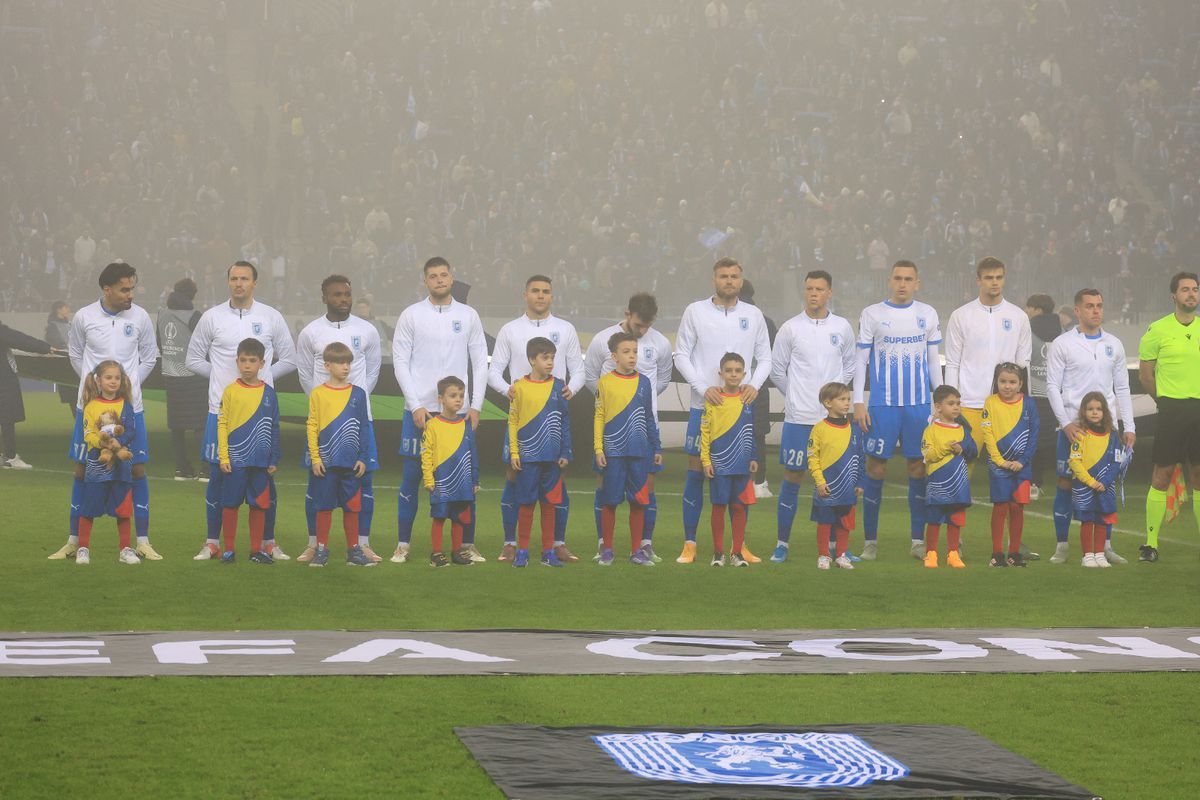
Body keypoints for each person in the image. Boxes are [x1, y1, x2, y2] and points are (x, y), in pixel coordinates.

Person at [186, 261, 296, 561]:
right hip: (220, 413)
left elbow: (290, 358)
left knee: (264, 481)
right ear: (228, 282)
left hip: (260, 414)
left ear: (255, 283)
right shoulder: (212, 317)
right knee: (217, 478)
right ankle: (213, 543)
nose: (238, 284)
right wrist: (223, 378)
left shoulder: (271, 316)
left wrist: (265, 378)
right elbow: (193, 358)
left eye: (244, 278)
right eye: (233, 278)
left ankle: (268, 542)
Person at [50, 262, 160, 562]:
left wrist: (128, 386)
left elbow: (149, 356)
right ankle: (74, 541)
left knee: (136, 469)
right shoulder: (85, 316)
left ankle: (143, 541)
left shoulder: (140, 317)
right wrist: (94, 390)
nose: (130, 294)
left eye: (132, 288)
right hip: (91, 410)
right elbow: (76, 354)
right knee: (83, 469)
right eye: (125, 289)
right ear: (107, 289)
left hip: (130, 409)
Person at [673, 257, 771, 564]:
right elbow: (681, 355)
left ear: (742, 281)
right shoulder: (695, 311)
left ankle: (738, 546)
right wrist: (704, 388)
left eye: (734, 276)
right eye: (723, 276)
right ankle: (690, 543)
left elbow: (765, 358)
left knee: (739, 477)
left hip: (739, 411)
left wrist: (753, 384)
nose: (729, 281)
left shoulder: (753, 315)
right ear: (714, 280)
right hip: (703, 407)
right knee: (696, 471)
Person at [391, 257, 487, 563]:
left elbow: (480, 362)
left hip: (458, 414)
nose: (439, 280)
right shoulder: (411, 315)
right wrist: (415, 404)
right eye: (433, 276)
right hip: (421, 413)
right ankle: (403, 545)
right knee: (411, 477)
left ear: (451, 277)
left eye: (444, 275)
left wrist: (475, 405)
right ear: (425, 281)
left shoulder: (469, 315)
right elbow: (400, 362)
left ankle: (466, 547)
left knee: (464, 479)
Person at [489, 275, 584, 563]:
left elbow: (578, 369)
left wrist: (572, 388)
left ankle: (557, 544)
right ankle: (511, 543)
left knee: (556, 482)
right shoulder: (510, 330)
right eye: (535, 291)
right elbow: (494, 371)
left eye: (546, 292)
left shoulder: (565, 329)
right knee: (513, 477)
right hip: (523, 418)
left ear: (552, 296)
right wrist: (509, 390)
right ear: (525, 294)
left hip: (553, 416)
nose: (541, 296)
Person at [853, 260, 944, 561]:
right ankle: (870, 542)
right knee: (875, 469)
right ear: (889, 281)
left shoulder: (927, 314)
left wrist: (939, 402)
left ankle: (917, 541)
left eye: (909, 279)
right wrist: (858, 401)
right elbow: (861, 361)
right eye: (898, 278)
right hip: (882, 405)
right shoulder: (872, 314)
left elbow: (933, 361)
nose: (903, 283)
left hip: (918, 406)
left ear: (917, 283)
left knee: (917, 469)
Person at [768, 270, 855, 562]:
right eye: (809, 288)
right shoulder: (790, 328)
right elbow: (777, 369)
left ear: (829, 292)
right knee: (793, 477)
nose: (813, 293)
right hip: (799, 418)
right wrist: (795, 395)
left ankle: (835, 547)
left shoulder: (842, 327)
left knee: (836, 480)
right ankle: (782, 543)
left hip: (832, 422)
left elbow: (849, 368)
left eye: (819, 288)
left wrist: (833, 402)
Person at [1045, 288, 1135, 565]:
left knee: (1105, 484)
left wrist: (1128, 426)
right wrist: (1066, 424)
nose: (1096, 310)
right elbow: (1052, 386)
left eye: (1099, 305)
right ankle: (1062, 545)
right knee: (1065, 483)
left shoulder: (1114, 344)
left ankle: (1104, 546)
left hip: (1106, 433)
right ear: (1077, 311)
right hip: (1073, 428)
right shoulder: (1062, 344)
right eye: (1090, 306)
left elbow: (1121, 387)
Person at [295, 275, 382, 562]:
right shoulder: (310, 332)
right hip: (324, 425)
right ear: (324, 297)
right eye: (337, 295)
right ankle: (314, 544)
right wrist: (327, 406)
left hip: (357, 419)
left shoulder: (367, 330)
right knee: (317, 484)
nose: (343, 299)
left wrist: (352, 402)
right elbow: (306, 375)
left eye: (347, 294)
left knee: (362, 482)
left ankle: (360, 544)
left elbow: (372, 372)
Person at [584, 292, 672, 561]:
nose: (642, 331)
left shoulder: (660, 345)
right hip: (611, 440)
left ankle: (643, 546)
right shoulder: (602, 340)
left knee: (644, 494)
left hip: (642, 441)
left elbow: (662, 382)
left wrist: (635, 400)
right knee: (608, 494)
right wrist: (615, 403)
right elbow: (590, 378)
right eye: (637, 325)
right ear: (627, 314)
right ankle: (605, 546)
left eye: (647, 325)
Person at [943, 257, 1032, 467]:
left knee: (1008, 469)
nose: (995, 282)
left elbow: (1023, 364)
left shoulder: (1018, 317)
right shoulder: (961, 316)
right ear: (978, 280)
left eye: (999, 277)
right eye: (989, 277)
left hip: (1005, 406)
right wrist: (950, 403)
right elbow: (953, 363)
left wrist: (1019, 402)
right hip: (969, 404)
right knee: (960, 466)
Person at [1138, 272, 1200, 562]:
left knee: (1199, 477)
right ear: (1173, 295)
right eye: (1185, 289)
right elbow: (1146, 374)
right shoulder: (1157, 330)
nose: (1191, 294)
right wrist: (1163, 400)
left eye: (1195, 289)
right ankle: (1151, 544)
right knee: (1162, 475)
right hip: (1172, 409)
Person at [207, 338, 282, 565]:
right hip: (236, 459)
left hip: (260, 461)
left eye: (252, 361)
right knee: (230, 504)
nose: (247, 365)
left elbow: (275, 427)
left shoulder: (269, 393)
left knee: (259, 504)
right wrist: (224, 455)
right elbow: (222, 424)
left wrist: (273, 457)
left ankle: (255, 550)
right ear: (237, 362)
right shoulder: (230, 391)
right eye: (243, 360)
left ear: (262, 363)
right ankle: (228, 550)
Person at [593, 331, 661, 566]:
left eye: (634, 351)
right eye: (626, 352)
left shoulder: (644, 382)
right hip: (613, 452)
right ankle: (607, 550)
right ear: (614, 356)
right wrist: (599, 448)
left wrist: (656, 447)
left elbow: (649, 418)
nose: (632, 356)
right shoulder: (605, 383)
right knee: (610, 501)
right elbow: (599, 416)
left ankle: (636, 552)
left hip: (639, 452)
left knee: (639, 502)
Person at [305, 342, 375, 568]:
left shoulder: (358, 393)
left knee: (352, 507)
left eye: (348, 362)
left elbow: (364, 427)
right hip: (326, 463)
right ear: (327, 365)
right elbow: (312, 426)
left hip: (351, 464)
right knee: (324, 506)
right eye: (340, 362)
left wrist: (363, 457)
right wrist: (315, 458)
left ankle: (353, 551)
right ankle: (322, 549)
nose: (346, 367)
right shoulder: (318, 394)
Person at [507, 337, 573, 567]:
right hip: (528, 458)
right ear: (531, 360)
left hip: (553, 459)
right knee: (525, 505)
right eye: (545, 358)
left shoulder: (559, 386)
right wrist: (514, 452)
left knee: (549, 505)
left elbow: (565, 420)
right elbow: (513, 421)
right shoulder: (519, 387)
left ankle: (547, 552)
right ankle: (522, 551)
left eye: (553, 358)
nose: (550, 362)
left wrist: (566, 451)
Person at [72, 360, 140, 566]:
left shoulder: (126, 406)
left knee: (123, 508)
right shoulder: (91, 406)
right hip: (97, 462)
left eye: (117, 378)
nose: (113, 381)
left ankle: (125, 549)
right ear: (99, 380)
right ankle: (83, 549)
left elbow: (130, 431)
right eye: (108, 377)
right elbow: (88, 433)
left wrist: (119, 442)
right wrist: (102, 442)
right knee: (89, 507)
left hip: (121, 463)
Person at [701, 353, 759, 567]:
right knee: (719, 506)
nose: (733, 374)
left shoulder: (747, 400)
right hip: (719, 463)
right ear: (721, 374)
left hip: (741, 463)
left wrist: (753, 456)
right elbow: (705, 431)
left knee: (739, 507)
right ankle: (718, 553)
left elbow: (750, 430)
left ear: (744, 374)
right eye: (729, 370)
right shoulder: (714, 400)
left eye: (737, 371)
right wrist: (706, 461)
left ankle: (737, 553)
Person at [980, 363, 1039, 567]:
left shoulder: (1029, 404)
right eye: (1003, 381)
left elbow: (1033, 435)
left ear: (1020, 383)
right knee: (1001, 506)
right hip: (999, 465)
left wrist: (1022, 461)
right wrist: (1000, 461)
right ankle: (997, 554)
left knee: (1017, 507)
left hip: (1022, 467)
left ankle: (1014, 554)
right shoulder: (990, 403)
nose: (1007, 386)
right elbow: (987, 435)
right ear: (996, 382)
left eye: (1012, 382)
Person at [421, 376, 480, 568]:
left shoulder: (466, 425)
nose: (458, 400)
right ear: (440, 398)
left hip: (463, 483)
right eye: (453, 395)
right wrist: (429, 478)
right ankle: (436, 553)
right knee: (439, 517)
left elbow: (472, 454)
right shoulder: (433, 425)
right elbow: (426, 454)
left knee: (459, 518)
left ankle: (456, 552)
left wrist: (474, 480)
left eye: (461, 396)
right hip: (441, 481)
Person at [805, 382, 863, 570]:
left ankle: (841, 555)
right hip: (827, 486)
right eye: (842, 399)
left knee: (845, 523)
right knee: (825, 521)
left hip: (848, 487)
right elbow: (812, 458)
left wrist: (860, 482)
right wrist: (820, 481)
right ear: (827, 403)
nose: (847, 403)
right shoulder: (819, 429)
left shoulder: (854, 429)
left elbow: (861, 457)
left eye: (848, 399)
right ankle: (823, 555)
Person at [920, 385, 977, 569]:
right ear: (938, 407)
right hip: (937, 483)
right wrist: (946, 447)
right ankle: (931, 554)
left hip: (959, 484)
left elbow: (973, 451)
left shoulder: (962, 430)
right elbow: (927, 455)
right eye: (951, 403)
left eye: (958, 403)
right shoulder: (931, 430)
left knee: (955, 519)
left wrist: (962, 448)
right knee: (934, 520)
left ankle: (953, 554)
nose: (956, 407)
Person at [158, 278, 208, 480]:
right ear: (192, 294)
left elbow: (159, 343)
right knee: (201, 424)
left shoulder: (162, 315)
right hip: (194, 375)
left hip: (171, 374)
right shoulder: (195, 316)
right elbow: (205, 344)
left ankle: (182, 469)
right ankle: (207, 469)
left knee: (177, 425)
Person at [1067, 392, 1125, 568]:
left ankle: (1100, 554)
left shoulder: (1113, 436)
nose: (1094, 412)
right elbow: (1074, 462)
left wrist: (1105, 482)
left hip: (1105, 486)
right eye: (1090, 409)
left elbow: (1117, 462)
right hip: (1085, 486)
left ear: (1104, 412)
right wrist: (1091, 482)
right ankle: (1087, 555)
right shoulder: (1080, 434)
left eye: (1098, 409)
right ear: (1084, 411)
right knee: (1088, 520)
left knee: (1102, 519)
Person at [1, 319, 61, 469]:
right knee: (7, 419)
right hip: (3, 381)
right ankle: (10, 457)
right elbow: (20, 340)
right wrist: (45, 348)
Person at [738, 280, 778, 499]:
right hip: (759, 385)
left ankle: (734, 480)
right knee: (758, 435)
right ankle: (759, 482)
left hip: (732, 384)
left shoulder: (729, 315)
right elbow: (774, 355)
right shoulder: (766, 320)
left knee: (730, 433)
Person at [1025, 293, 1062, 497]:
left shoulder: (1027, 330)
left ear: (1037, 309)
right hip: (1056, 392)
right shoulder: (1064, 331)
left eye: (1029, 308)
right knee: (1052, 437)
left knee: (1031, 437)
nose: (1027, 312)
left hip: (1033, 392)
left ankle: (1031, 481)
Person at [43, 301, 76, 416]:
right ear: (58, 310)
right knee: (73, 397)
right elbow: (55, 343)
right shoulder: (52, 327)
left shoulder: (70, 324)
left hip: (75, 363)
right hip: (65, 365)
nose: (68, 309)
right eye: (65, 307)